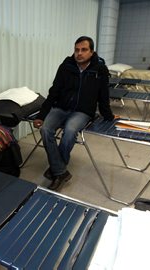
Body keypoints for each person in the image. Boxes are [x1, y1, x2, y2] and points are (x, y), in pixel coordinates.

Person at [33, 36, 116, 191]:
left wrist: (109, 116)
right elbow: (54, 92)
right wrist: (41, 115)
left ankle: (56, 170)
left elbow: (103, 96)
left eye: (84, 50)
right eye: (77, 50)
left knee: (70, 131)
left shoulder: (99, 70)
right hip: (61, 108)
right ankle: (60, 171)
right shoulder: (65, 66)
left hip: (82, 111)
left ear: (92, 52)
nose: (79, 53)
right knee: (45, 129)